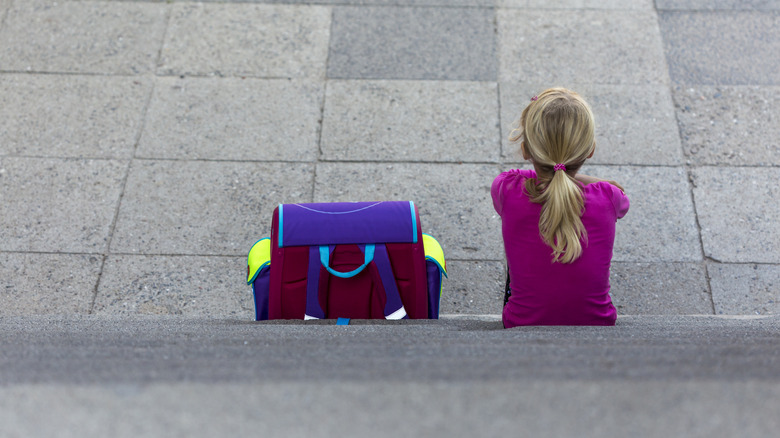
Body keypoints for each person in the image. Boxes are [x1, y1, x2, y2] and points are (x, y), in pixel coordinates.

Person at [492, 88, 629, 327]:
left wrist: (552, 171)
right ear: (590, 150)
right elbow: (622, 202)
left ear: (526, 151)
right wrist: (593, 181)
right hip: (598, 321)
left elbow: (517, 176)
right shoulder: (609, 197)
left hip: (521, 322)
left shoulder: (507, 189)